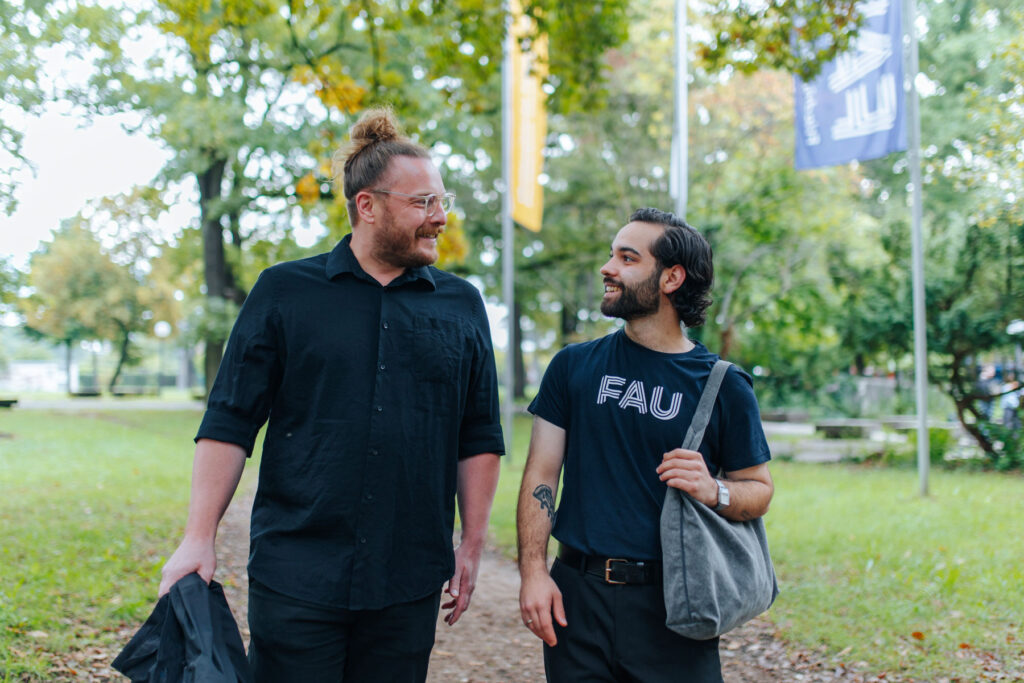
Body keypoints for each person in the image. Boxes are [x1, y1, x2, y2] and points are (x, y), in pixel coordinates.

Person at [158, 107, 504, 683]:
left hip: (409, 577)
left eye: (442, 202)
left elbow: (479, 434)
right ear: (367, 206)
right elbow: (229, 422)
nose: (440, 217)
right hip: (297, 572)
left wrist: (471, 544)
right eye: (424, 203)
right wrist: (199, 538)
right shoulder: (283, 292)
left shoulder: (462, 305)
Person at [516, 207, 774, 683]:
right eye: (611, 254)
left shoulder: (723, 385)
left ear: (671, 277)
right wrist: (533, 572)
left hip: (676, 605)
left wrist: (712, 489)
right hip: (578, 597)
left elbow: (758, 489)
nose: (607, 268)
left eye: (627, 258)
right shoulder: (573, 366)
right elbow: (541, 473)